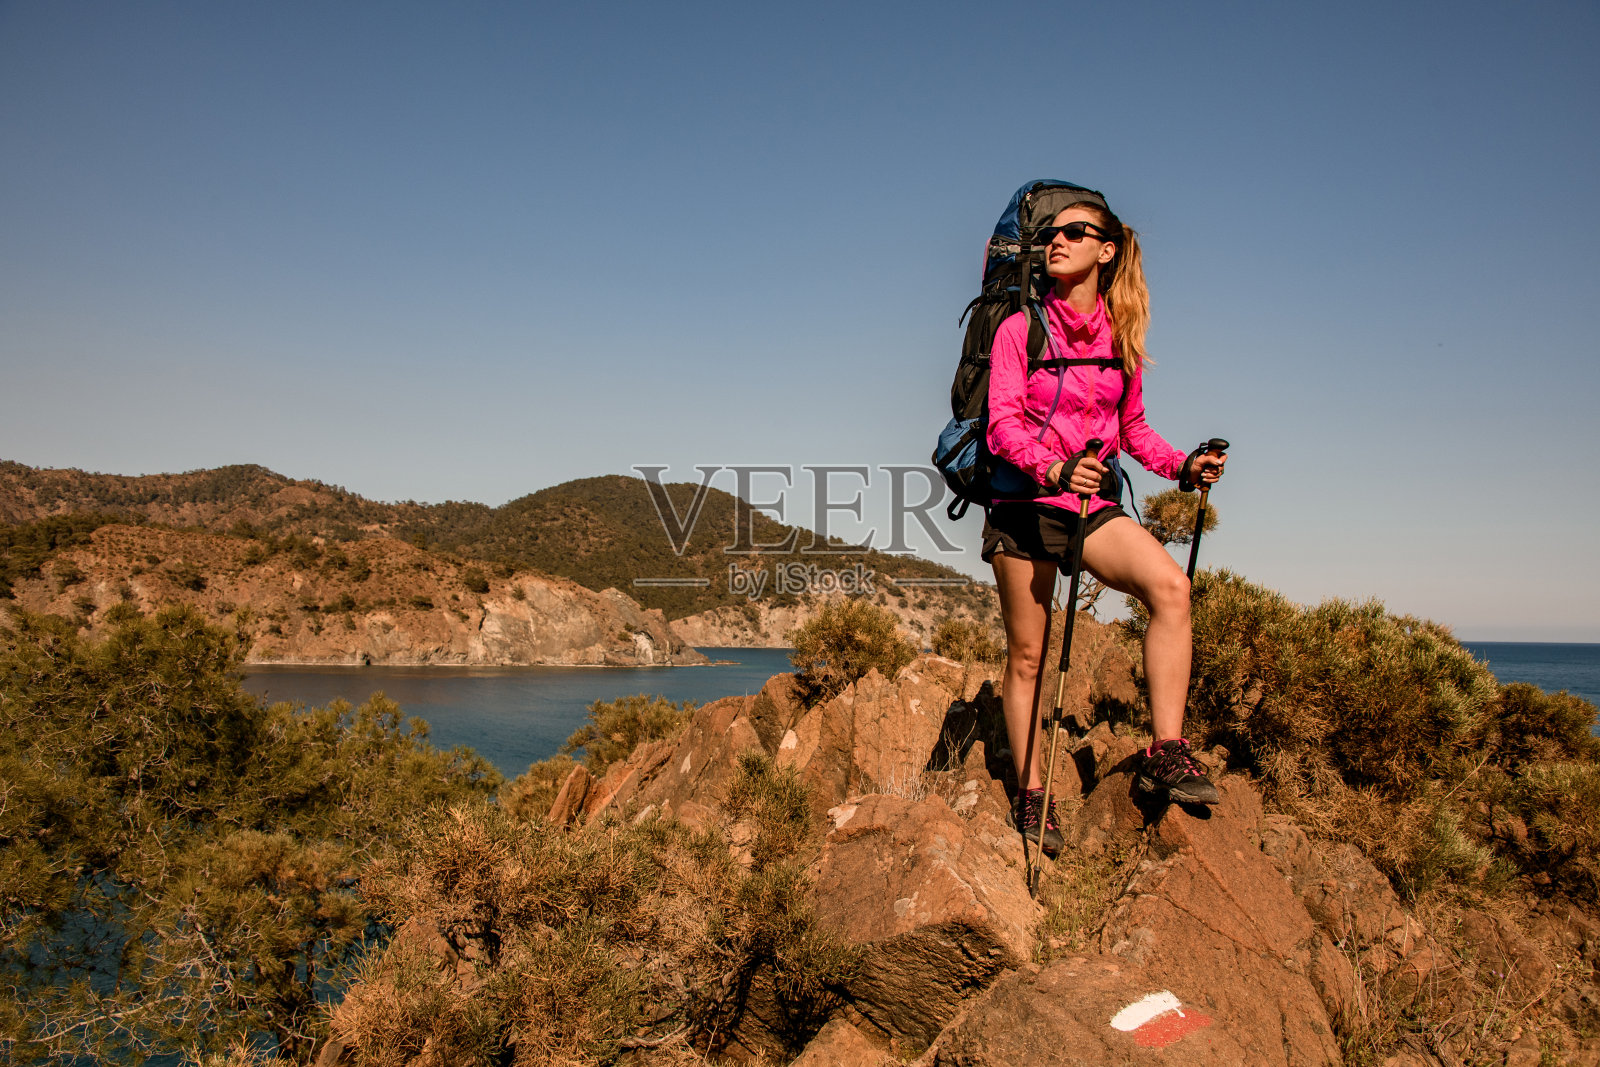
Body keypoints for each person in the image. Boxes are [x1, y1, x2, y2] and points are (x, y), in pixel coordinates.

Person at [983, 189, 1225, 856]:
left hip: (1092, 507)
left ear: (1106, 249)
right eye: (1051, 234)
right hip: (1025, 504)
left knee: (1171, 590)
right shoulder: (1020, 330)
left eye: (1074, 232)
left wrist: (1184, 466)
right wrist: (1054, 469)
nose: (1056, 241)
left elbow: (1133, 431)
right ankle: (1032, 792)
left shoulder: (1119, 340)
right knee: (1029, 655)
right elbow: (1000, 425)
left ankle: (1167, 750)